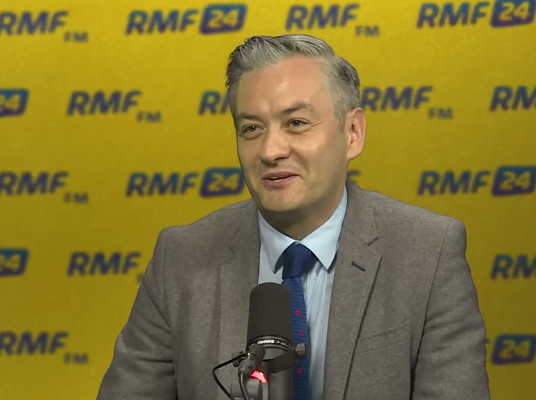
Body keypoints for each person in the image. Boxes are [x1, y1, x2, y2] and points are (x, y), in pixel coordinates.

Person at [96, 34, 490, 400]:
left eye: (296, 123)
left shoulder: (428, 254)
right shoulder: (180, 259)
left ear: (352, 132)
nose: (271, 150)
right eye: (251, 128)